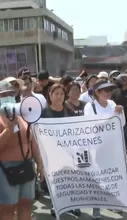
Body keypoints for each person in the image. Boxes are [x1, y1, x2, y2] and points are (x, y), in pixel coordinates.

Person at [0, 80, 44, 220]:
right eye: (4, 94)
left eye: (11, 93)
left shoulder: (22, 116)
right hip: (6, 170)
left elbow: (32, 142)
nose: (9, 96)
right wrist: (8, 130)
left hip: (26, 167)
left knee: (26, 205)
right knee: (7, 208)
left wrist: (40, 163)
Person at [83, 80, 124, 219]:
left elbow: (121, 123)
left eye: (109, 90)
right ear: (97, 92)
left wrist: (119, 113)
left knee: (110, 175)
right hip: (96, 147)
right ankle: (96, 207)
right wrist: (113, 115)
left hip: (112, 145)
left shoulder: (112, 104)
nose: (108, 93)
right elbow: (93, 125)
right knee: (97, 177)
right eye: (104, 90)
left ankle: (111, 202)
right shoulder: (90, 106)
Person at [40, 84, 80, 217]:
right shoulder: (43, 112)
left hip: (68, 150)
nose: (59, 96)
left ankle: (72, 204)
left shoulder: (69, 110)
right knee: (56, 180)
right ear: (50, 95)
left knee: (70, 179)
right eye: (56, 93)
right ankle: (56, 205)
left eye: (61, 94)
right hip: (51, 152)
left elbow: (76, 129)